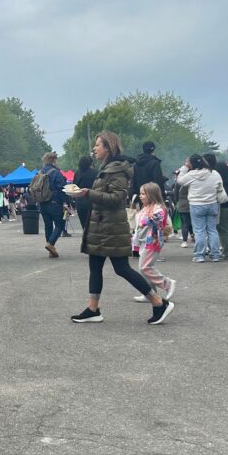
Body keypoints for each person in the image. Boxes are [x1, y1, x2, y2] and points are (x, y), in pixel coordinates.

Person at [68, 131, 174, 325]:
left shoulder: (117, 170)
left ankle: (159, 302)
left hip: (111, 227)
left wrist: (87, 193)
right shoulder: (107, 167)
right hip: (101, 225)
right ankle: (93, 309)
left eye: (98, 145)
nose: (94, 148)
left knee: (122, 268)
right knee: (95, 266)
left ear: (108, 147)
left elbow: (117, 199)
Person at [176, 155, 227, 263]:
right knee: (212, 230)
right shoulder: (214, 173)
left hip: (196, 204)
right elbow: (219, 185)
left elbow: (179, 181)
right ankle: (215, 255)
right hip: (212, 204)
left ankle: (199, 255)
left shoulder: (191, 175)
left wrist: (185, 167)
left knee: (199, 231)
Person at [133, 182, 177, 303]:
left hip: (152, 241)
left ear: (151, 195)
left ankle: (167, 283)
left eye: (143, 194)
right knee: (145, 268)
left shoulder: (158, 207)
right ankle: (149, 293)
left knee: (144, 268)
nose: (140, 196)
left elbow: (159, 217)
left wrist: (145, 221)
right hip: (144, 241)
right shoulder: (146, 207)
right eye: (140, 193)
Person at [35, 151, 68, 258]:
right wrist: (65, 202)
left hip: (42, 203)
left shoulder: (39, 172)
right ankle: (51, 243)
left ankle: (51, 250)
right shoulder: (56, 172)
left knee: (48, 226)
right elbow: (61, 188)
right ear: (54, 160)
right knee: (60, 224)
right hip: (54, 203)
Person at [74, 156, 98, 231]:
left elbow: (74, 186)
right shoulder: (95, 172)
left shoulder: (77, 173)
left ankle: (86, 238)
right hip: (92, 199)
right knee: (93, 224)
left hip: (80, 201)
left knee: (84, 225)